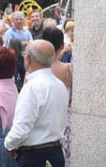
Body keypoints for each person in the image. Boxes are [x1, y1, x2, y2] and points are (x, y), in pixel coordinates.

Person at [4, 40, 69, 167]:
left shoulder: (32, 87)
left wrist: (9, 145)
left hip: (35, 156)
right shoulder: (59, 85)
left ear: (28, 59)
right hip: (55, 152)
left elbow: (22, 127)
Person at [42, 27, 73, 166]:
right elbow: (70, 98)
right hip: (61, 120)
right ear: (61, 45)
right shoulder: (66, 69)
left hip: (40, 121)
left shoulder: (34, 68)